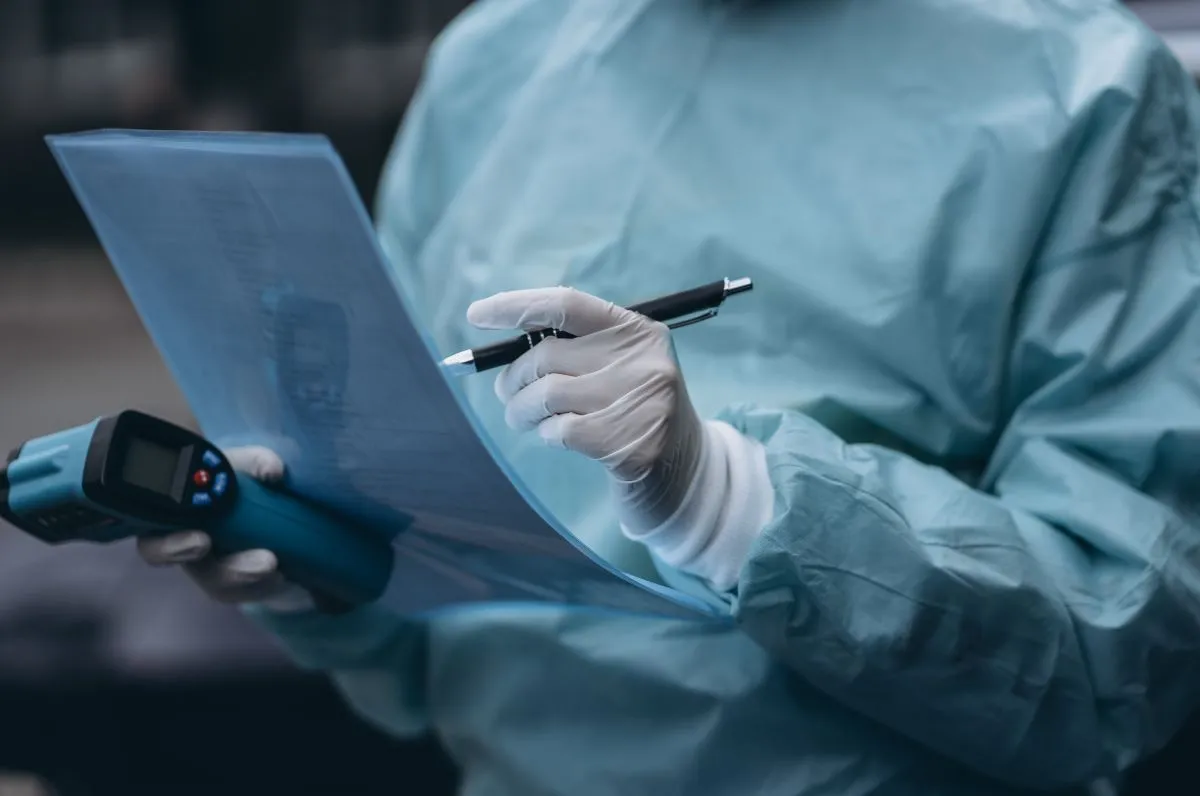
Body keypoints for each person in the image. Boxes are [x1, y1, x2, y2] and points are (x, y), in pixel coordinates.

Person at [137, 1, 1200, 793]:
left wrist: (729, 498)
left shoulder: (1084, 90)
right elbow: (419, 641)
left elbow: (1122, 661)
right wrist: (308, 562)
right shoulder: (491, 65)